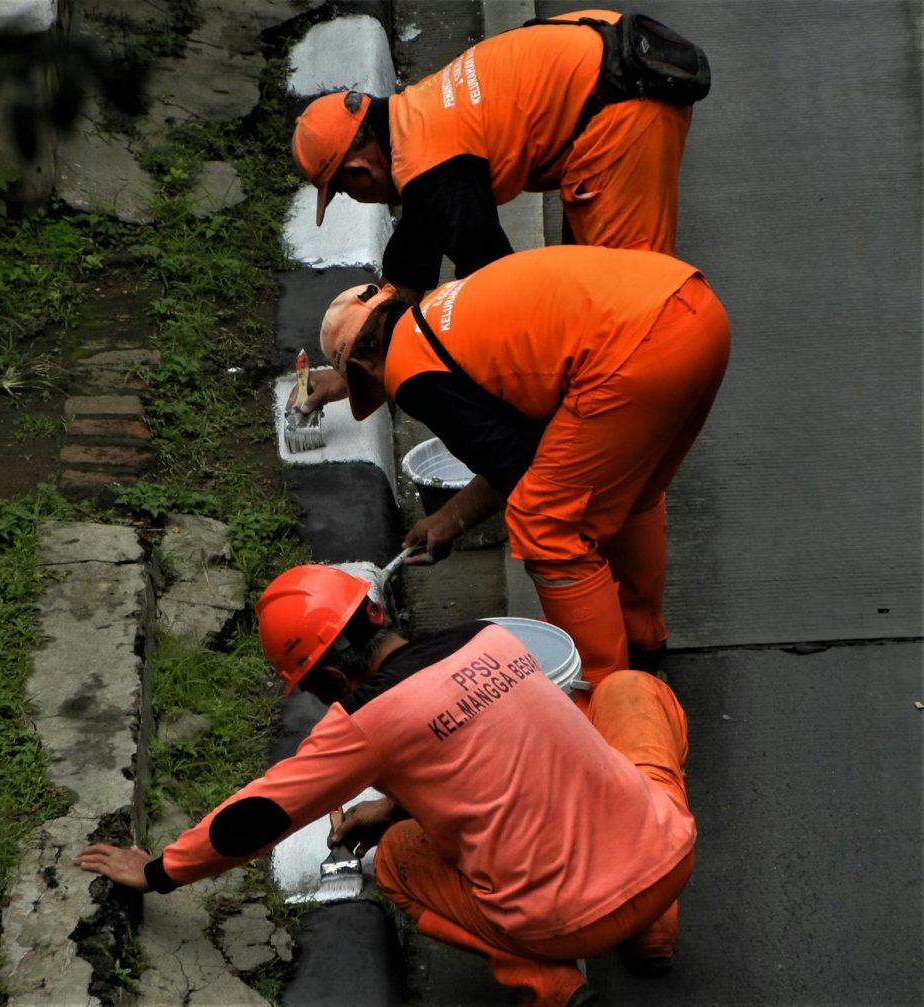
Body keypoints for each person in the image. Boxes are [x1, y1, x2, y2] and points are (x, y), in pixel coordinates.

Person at [76, 563, 696, 1007]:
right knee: (630, 691)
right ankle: (652, 926)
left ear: (327, 680)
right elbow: (493, 748)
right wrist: (397, 803)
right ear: (375, 611)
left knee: (398, 862)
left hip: (566, 922)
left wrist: (157, 871)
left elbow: (261, 814)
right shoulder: (489, 637)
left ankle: (550, 987)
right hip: (667, 858)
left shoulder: (363, 720)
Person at [317, 244, 730, 689]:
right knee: (633, 490)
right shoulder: (443, 308)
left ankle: (604, 694)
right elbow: (530, 451)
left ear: (362, 364)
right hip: (692, 310)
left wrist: (458, 520)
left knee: (544, 525)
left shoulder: (408, 370)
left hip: (632, 354)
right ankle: (639, 639)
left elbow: (517, 471)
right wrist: (447, 522)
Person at [294, 8, 703, 409]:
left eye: (345, 192)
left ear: (359, 169)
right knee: (588, 285)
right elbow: (409, 263)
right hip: (600, 44)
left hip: (623, 97)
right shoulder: (416, 121)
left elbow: (503, 296)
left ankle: (630, 443)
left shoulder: (435, 174)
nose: (357, 198)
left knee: (629, 311)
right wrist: (349, 376)